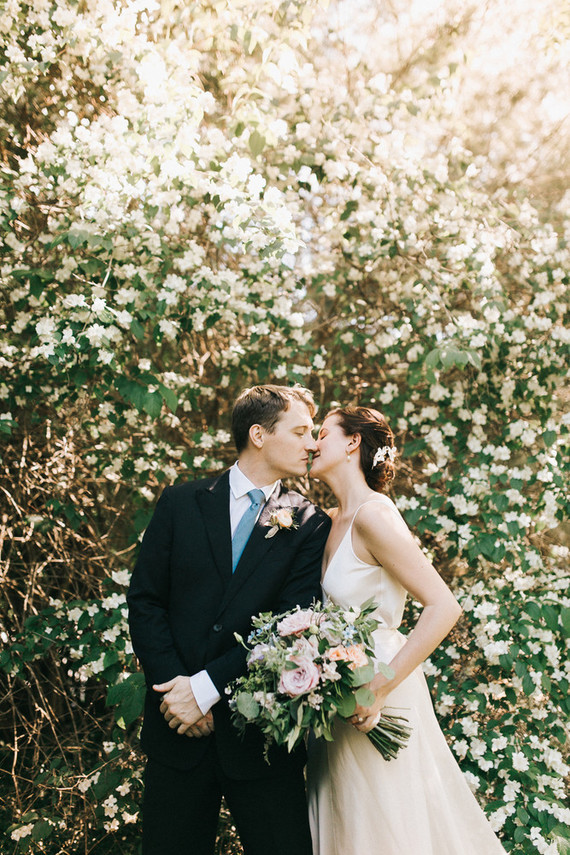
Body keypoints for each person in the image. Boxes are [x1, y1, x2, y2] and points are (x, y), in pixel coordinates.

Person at [127, 384, 331, 855]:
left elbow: (291, 623)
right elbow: (146, 601)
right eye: (300, 432)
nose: (312, 444)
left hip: (261, 740)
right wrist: (177, 692)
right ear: (258, 434)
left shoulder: (308, 522)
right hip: (176, 730)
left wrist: (205, 689)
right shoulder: (181, 502)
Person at [306, 405, 507, 855]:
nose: (312, 444)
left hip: (380, 690)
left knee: (388, 826)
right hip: (335, 698)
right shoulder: (328, 520)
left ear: (353, 442)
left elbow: (443, 606)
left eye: (322, 433)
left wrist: (379, 688)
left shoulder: (373, 517)